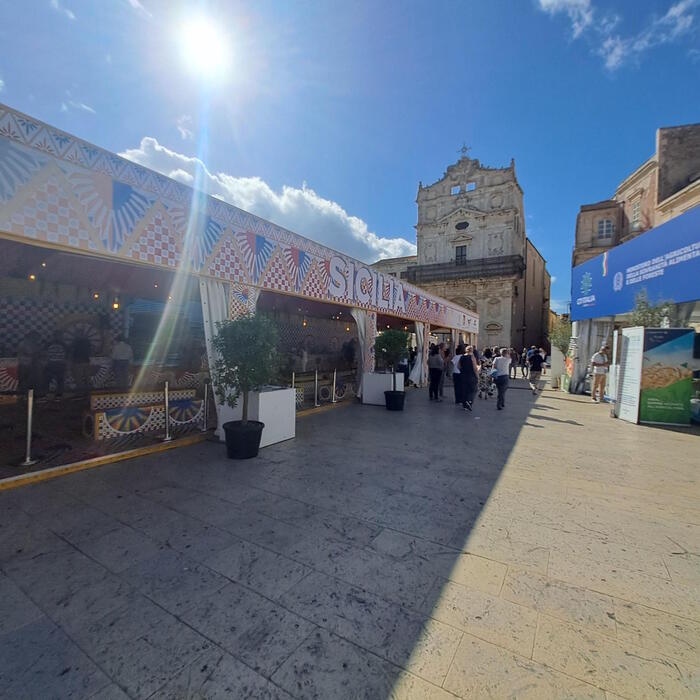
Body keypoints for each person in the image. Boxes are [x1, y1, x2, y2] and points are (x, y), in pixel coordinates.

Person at [45, 331, 67, 397]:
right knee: (51, 380)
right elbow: (67, 355)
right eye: (58, 336)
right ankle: (50, 395)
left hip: (55, 363)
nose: (59, 337)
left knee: (58, 380)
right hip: (55, 364)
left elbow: (67, 355)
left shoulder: (49, 343)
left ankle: (56, 395)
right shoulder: (63, 344)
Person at [459, 345, 479, 411]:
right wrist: (477, 376)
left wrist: (462, 370)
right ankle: (469, 401)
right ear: (472, 350)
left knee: (464, 390)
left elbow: (458, 366)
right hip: (471, 375)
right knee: (473, 389)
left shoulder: (462, 357)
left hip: (463, 375)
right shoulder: (472, 357)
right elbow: (475, 368)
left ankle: (464, 405)